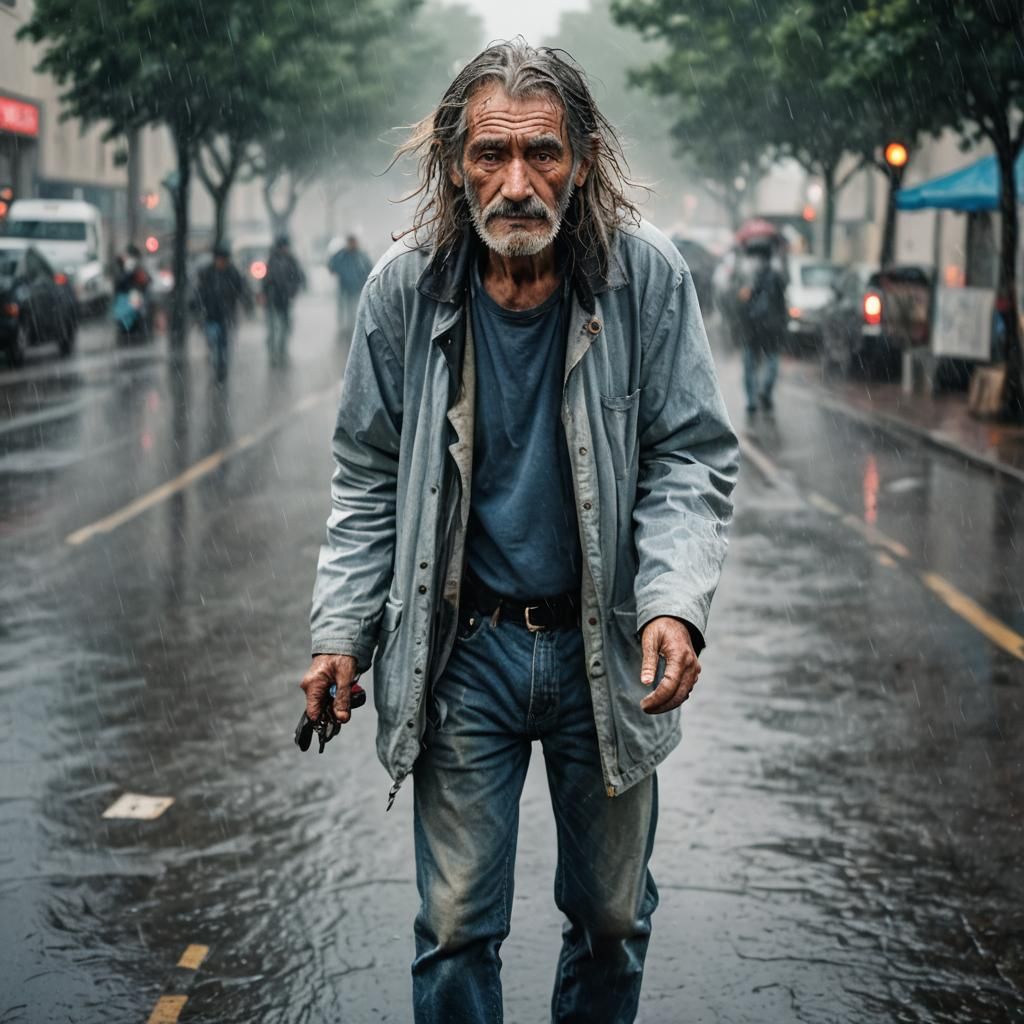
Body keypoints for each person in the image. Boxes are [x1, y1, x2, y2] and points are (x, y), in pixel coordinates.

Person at [301, 42, 739, 1024]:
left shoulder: (648, 279)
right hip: (466, 654)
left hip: (605, 648)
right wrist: (340, 633)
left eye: (542, 153)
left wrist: (674, 603)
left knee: (613, 918)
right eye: (490, 155)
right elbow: (367, 478)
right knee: (456, 928)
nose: (516, 182)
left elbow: (691, 456)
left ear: (582, 158)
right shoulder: (402, 293)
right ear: (455, 165)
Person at [736, 240, 787, 413]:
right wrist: (782, 323)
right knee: (771, 358)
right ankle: (765, 391)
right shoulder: (777, 276)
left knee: (750, 362)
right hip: (772, 327)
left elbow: (743, 304)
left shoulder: (750, 277)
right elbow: (782, 303)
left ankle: (752, 400)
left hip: (753, 326)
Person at [194, 243, 251, 383]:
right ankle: (216, 366)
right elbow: (199, 292)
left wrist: (247, 304)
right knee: (213, 343)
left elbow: (241, 290)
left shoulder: (232, 272)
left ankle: (221, 369)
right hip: (211, 315)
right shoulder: (208, 273)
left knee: (223, 346)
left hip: (226, 316)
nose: (221, 262)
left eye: (223, 259)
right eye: (219, 259)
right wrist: (197, 308)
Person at [263, 235, 306, 367]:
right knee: (275, 328)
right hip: (274, 300)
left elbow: (299, 277)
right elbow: (266, 280)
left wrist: (293, 289)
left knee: (284, 328)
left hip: (284, 299)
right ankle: (275, 352)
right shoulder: (273, 260)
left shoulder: (289, 260)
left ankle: (280, 351)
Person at [327, 234, 372, 334]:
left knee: (355, 308)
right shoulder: (342, 255)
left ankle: (353, 327)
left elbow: (369, 268)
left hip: (357, 288)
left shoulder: (361, 255)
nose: (352, 245)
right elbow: (332, 265)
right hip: (344, 288)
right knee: (344, 308)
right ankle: (344, 328)